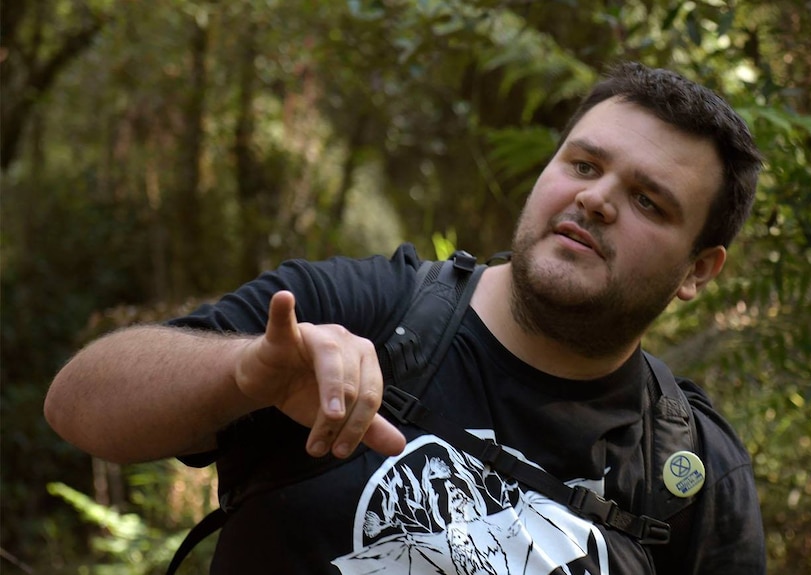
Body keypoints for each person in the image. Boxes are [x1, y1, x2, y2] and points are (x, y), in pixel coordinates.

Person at [45, 61, 766, 574]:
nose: (597, 198)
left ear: (699, 270)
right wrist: (243, 374)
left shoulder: (692, 475)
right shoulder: (366, 312)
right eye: (582, 164)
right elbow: (78, 403)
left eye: (649, 201)